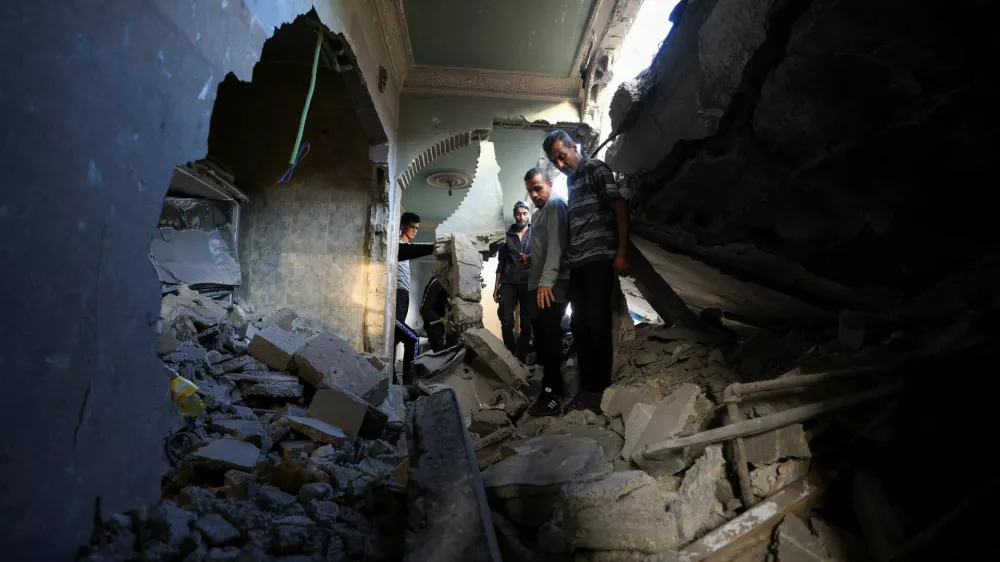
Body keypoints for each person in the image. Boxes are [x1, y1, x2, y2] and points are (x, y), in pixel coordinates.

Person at [543, 129, 629, 397]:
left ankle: (602, 389)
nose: (560, 164)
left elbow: (620, 208)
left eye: (562, 156)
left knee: (597, 323)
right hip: (578, 264)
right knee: (578, 325)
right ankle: (588, 386)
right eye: (555, 161)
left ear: (574, 147)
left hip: (599, 259)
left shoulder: (595, 169)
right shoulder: (571, 181)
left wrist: (621, 253)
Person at [520, 168, 571, 416]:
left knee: (549, 338)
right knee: (541, 337)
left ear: (549, 185)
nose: (533, 195)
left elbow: (557, 248)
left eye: (538, 188)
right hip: (539, 283)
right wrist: (529, 260)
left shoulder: (555, 205)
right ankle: (547, 388)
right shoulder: (539, 213)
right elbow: (543, 250)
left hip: (551, 286)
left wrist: (546, 283)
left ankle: (553, 393)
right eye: (530, 190)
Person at [394, 212, 433, 384]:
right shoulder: (396, 244)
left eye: (417, 228)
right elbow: (409, 250)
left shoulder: (406, 247)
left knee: (395, 339)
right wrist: (434, 247)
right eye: (412, 227)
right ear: (403, 225)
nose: (415, 230)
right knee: (411, 337)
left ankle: (394, 379)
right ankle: (407, 383)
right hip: (396, 294)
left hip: (403, 295)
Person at [493, 201, 533, 360]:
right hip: (508, 282)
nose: (521, 217)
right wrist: (496, 287)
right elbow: (500, 263)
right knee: (506, 320)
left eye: (524, 213)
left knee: (527, 322)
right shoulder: (507, 236)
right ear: (514, 215)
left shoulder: (535, 233)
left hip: (529, 282)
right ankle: (510, 356)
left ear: (529, 214)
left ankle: (521, 357)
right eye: (518, 214)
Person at [419, 274, 451, 352]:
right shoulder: (437, 282)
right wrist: (441, 320)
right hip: (431, 321)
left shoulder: (444, 287)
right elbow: (425, 310)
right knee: (438, 344)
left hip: (437, 320)